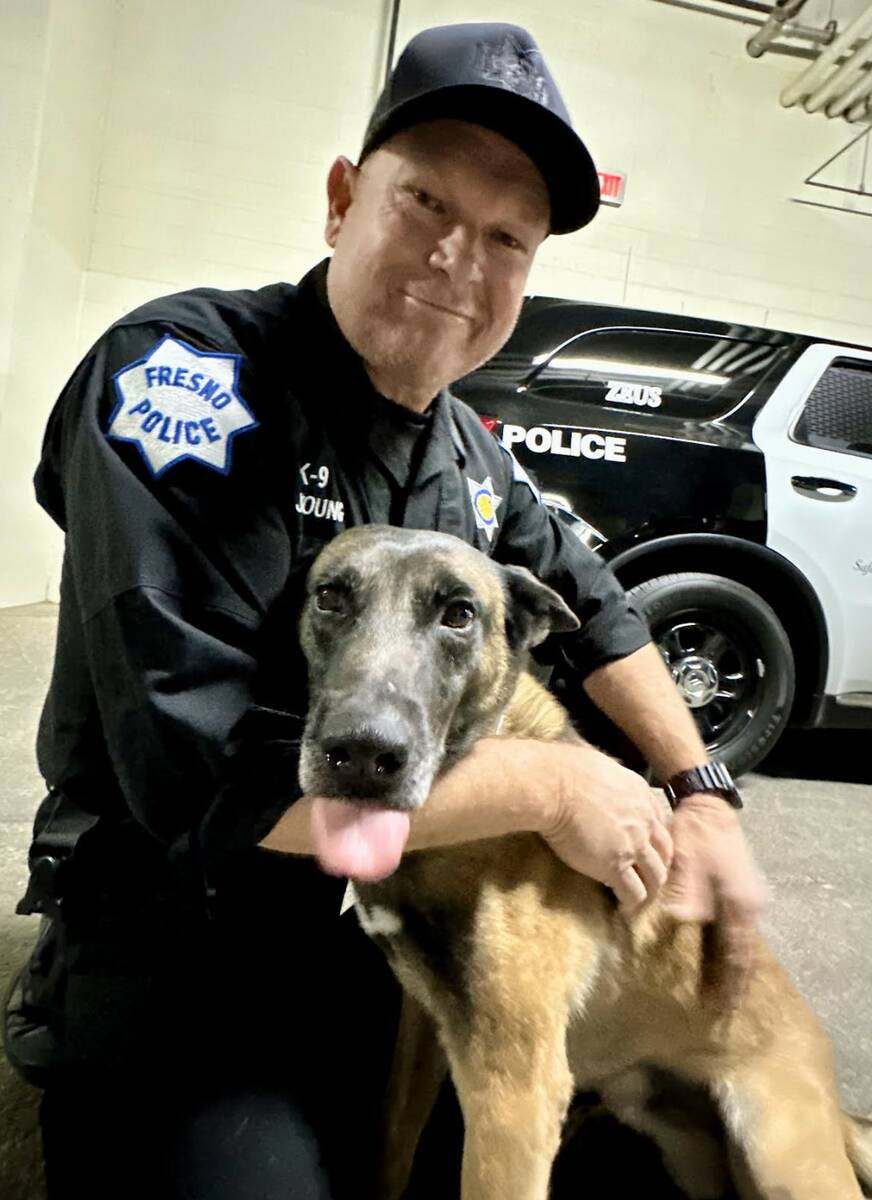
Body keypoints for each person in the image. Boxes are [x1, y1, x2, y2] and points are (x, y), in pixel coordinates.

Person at [7, 21, 766, 1200]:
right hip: (186, 942)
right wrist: (556, 786)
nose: (459, 261)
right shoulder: (185, 380)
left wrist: (696, 791)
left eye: (505, 237)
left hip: (391, 917)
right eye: (425, 206)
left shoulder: (466, 452)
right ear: (342, 198)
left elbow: (594, 604)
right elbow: (210, 780)